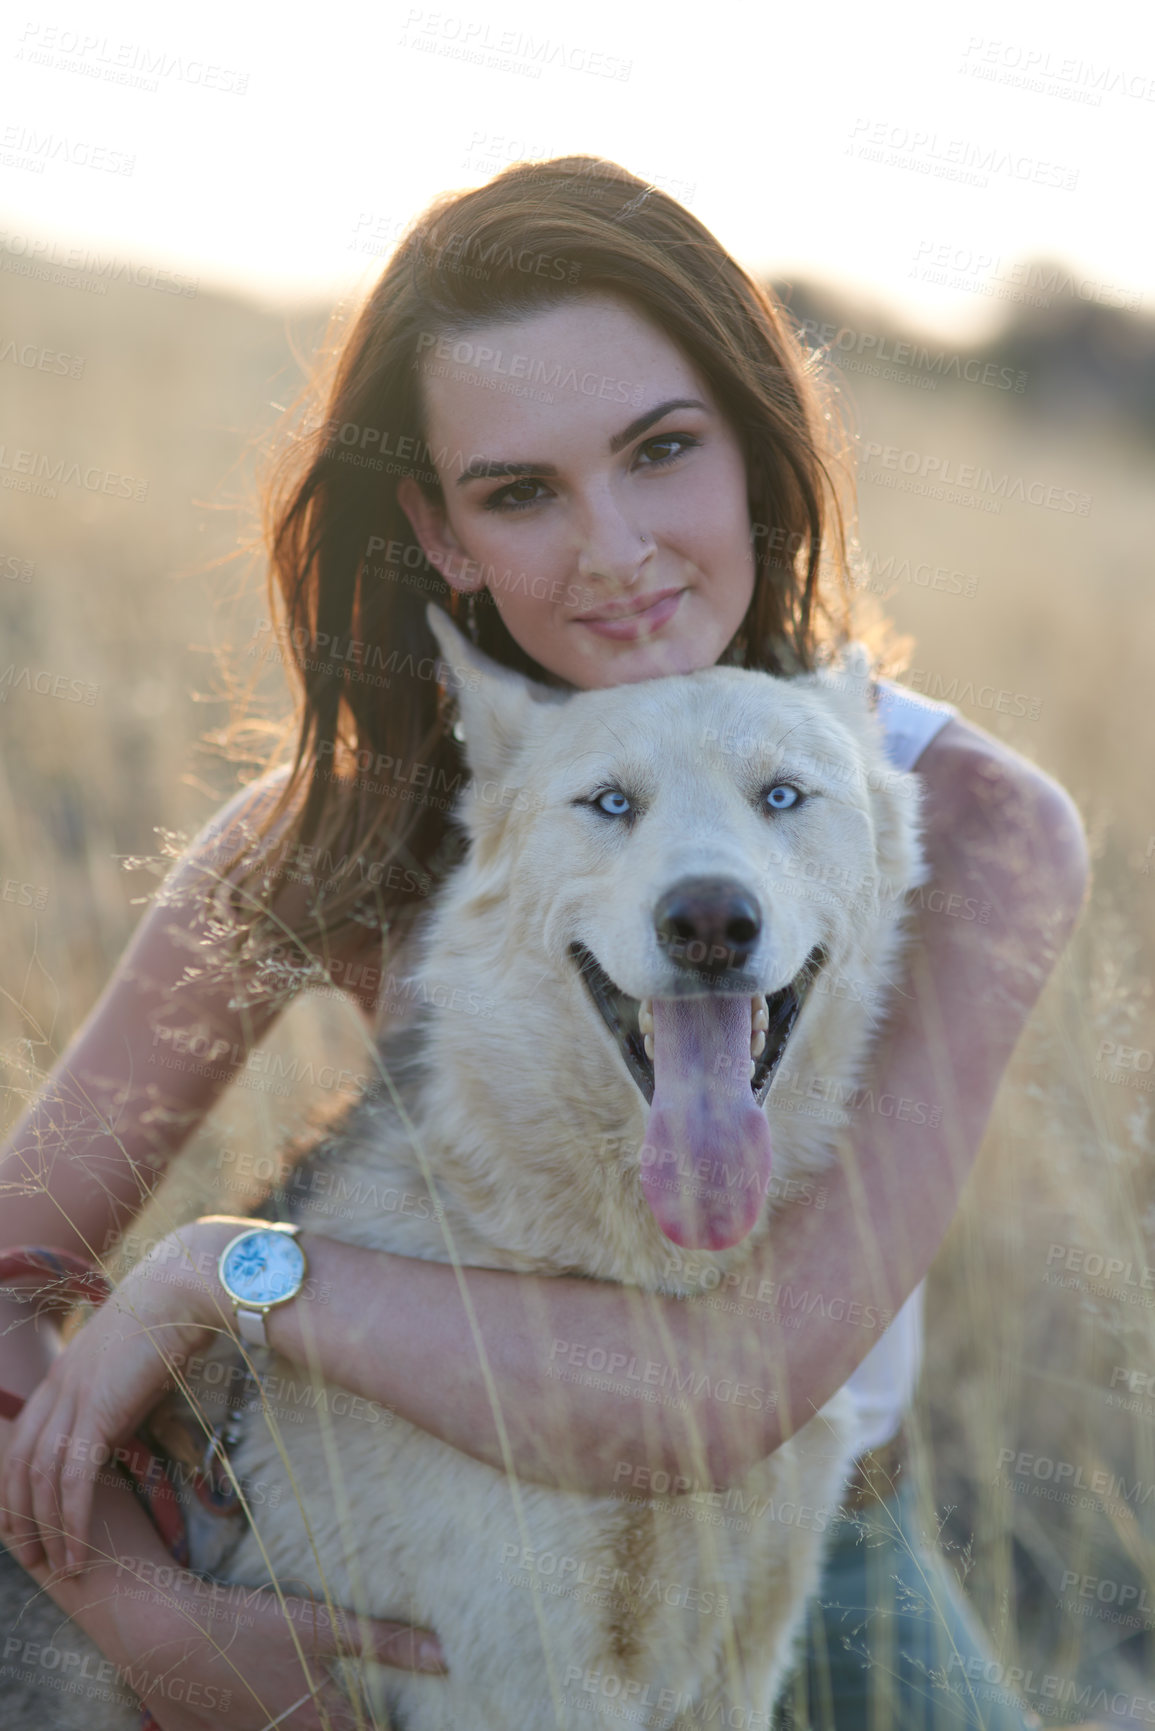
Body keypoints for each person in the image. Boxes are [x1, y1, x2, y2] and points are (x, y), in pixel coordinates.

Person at [0, 156, 1088, 1730]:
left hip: (809, 1572)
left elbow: (725, 1399)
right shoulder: (331, 832)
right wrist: (147, 1616)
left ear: (756, 454)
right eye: (521, 493)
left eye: (661, 452)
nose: (616, 551)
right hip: (412, 1570)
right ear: (440, 534)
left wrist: (221, 1275)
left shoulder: (975, 824)